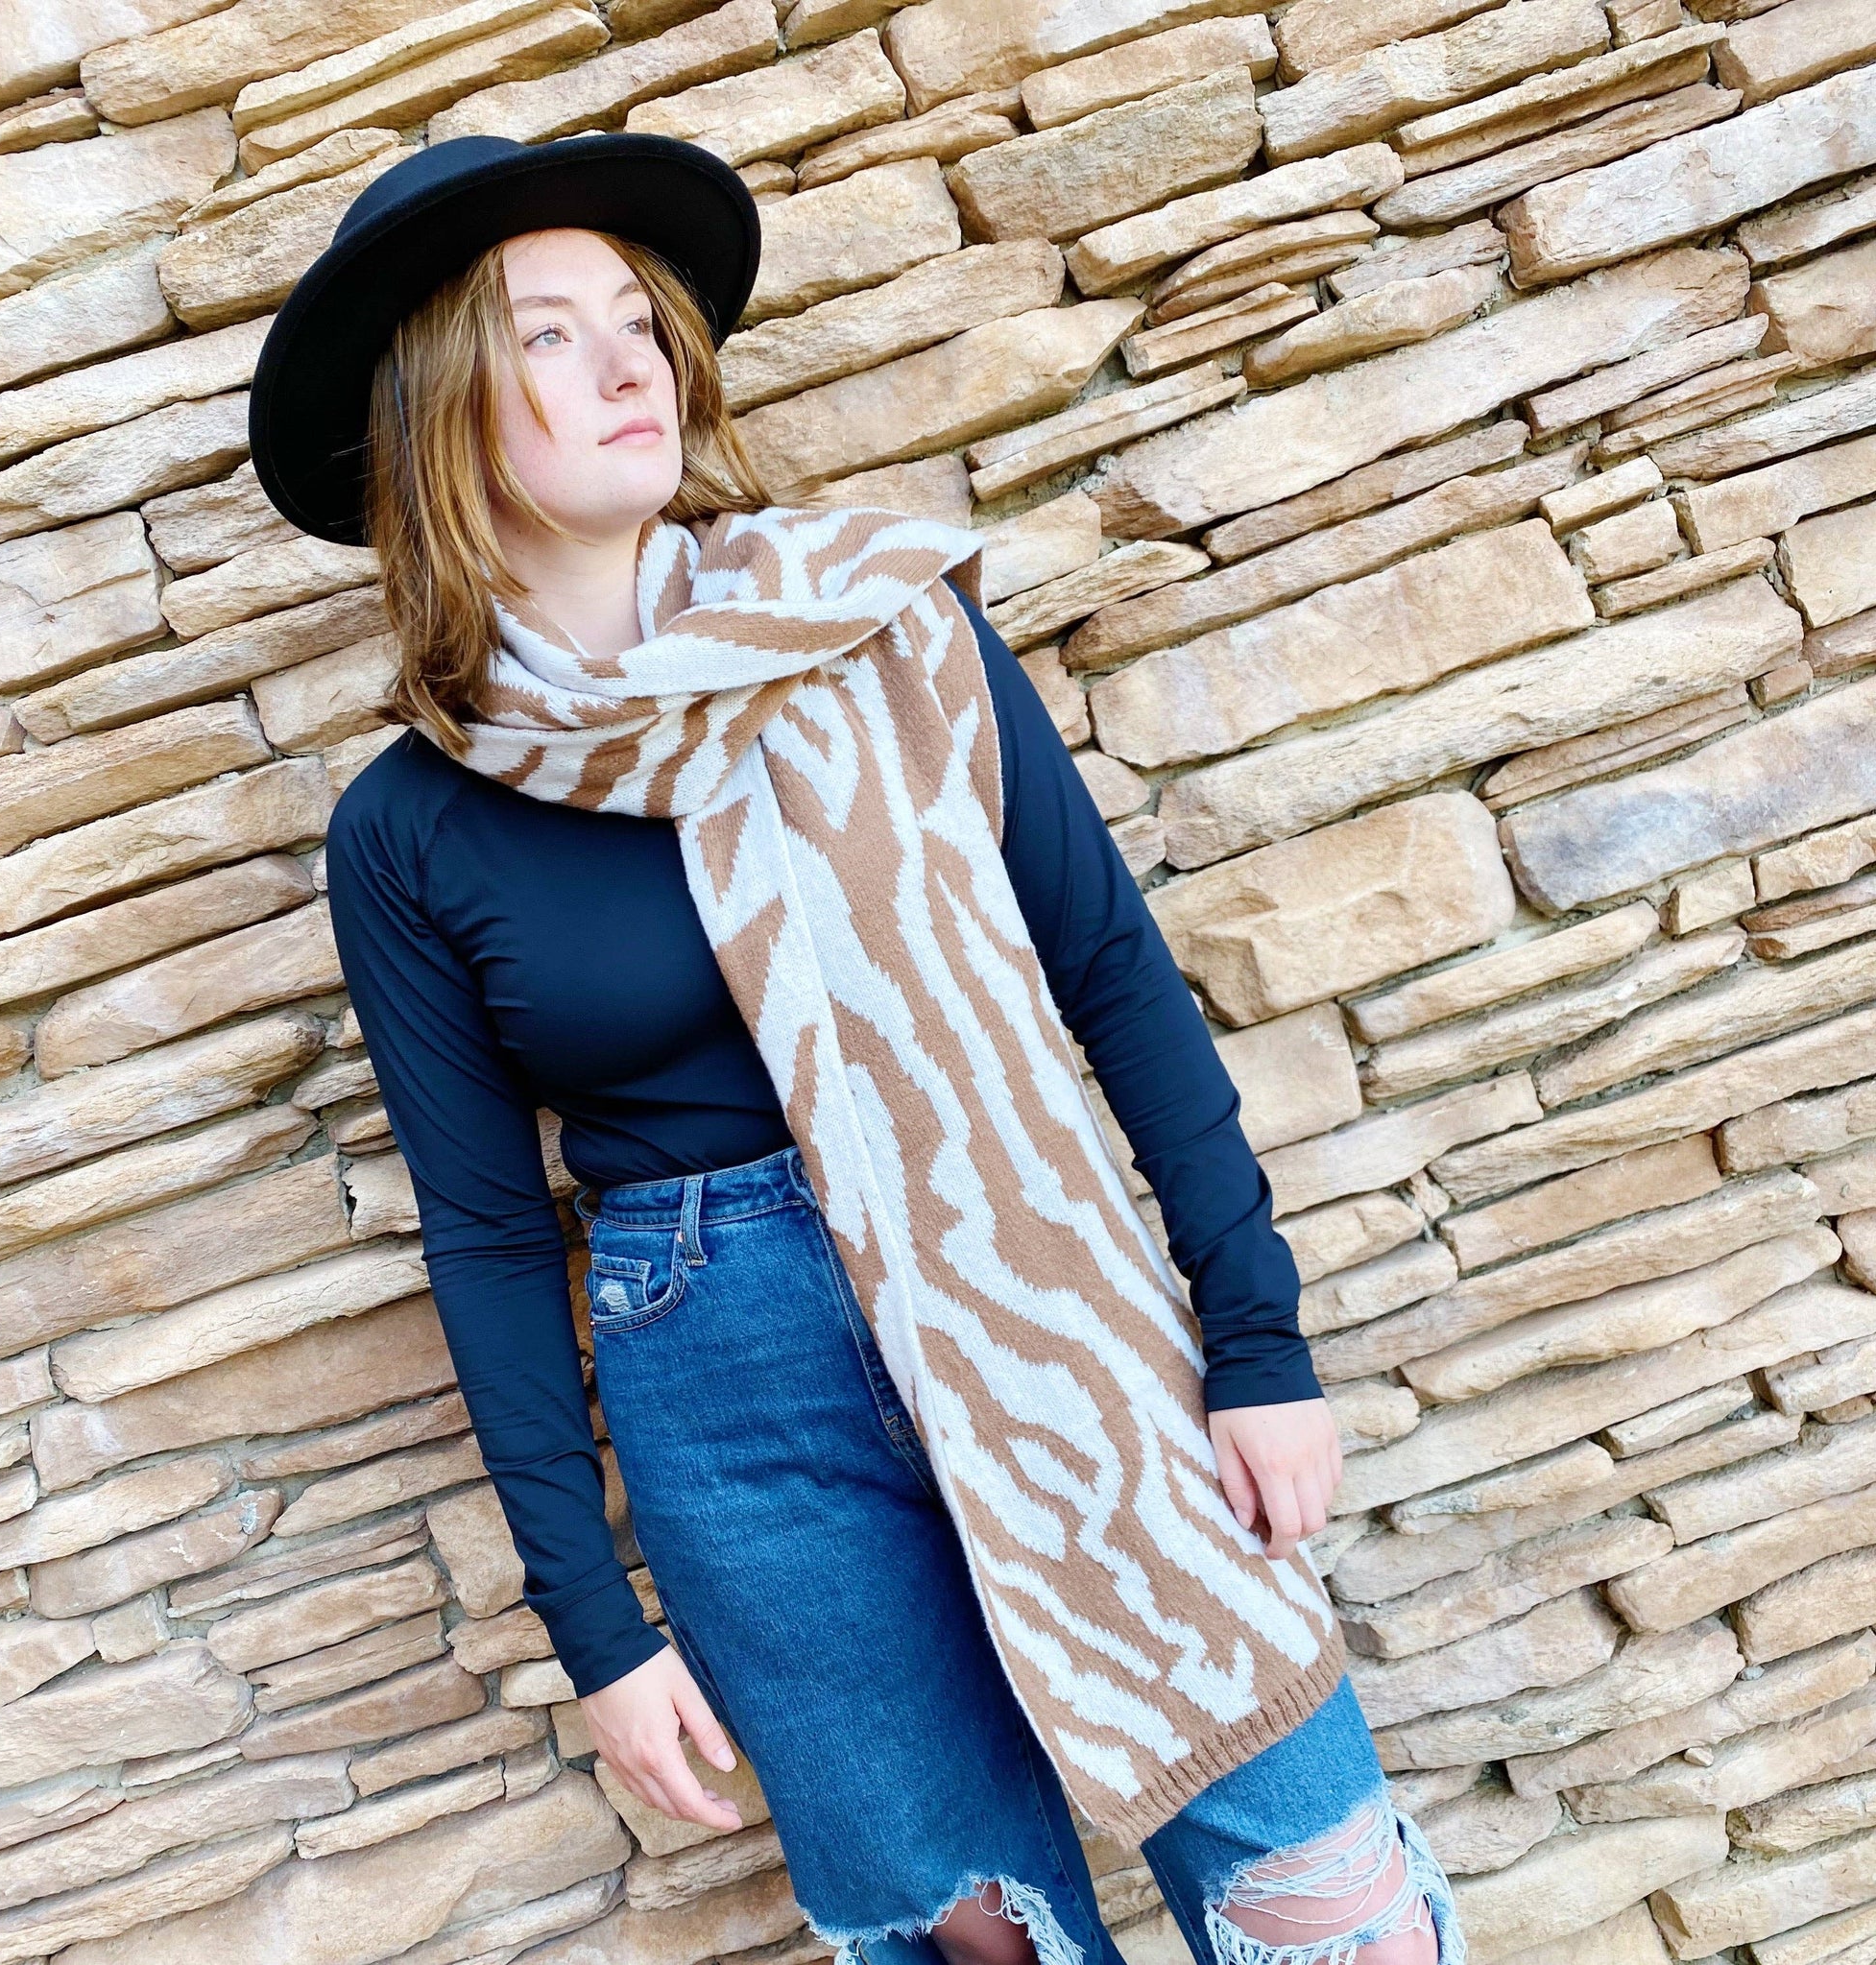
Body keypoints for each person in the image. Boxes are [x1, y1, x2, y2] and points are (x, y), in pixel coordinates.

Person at [248, 132, 1461, 1965]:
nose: (627, 360)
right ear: (437, 414)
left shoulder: (886, 629)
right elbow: (488, 1235)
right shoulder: (411, 831)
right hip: (729, 1382)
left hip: (1040, 1288)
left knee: (1330, 1899)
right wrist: (598, 1631)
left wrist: (1258, 1337)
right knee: (982, 1939)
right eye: (547, 334)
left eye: (636, 318)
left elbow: (1111, 974)